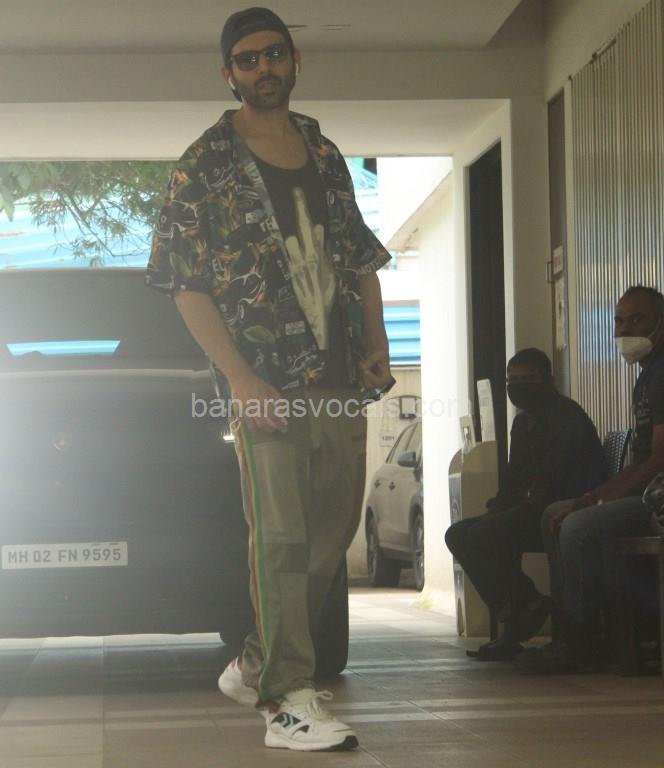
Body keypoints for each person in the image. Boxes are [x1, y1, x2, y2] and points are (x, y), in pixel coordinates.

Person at [145, 6, 393, 752]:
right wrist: (241, 377)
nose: (264, 68)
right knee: (280, 536)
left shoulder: (323, 150)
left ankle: (256, 662)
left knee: (332, 532)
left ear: (294, 61)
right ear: (229, 74)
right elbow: (185, 283)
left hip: (337, 373)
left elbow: (358, 257)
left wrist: (376, 341)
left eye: (274, 54)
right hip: (266, 382)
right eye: (248, 59)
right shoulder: (204, 164)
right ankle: (286, 700)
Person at [520, 286, 664, 673]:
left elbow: (658, 458)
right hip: (647, 494)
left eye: (637, 319)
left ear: (660, 324)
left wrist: (595, 503)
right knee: (555, 514)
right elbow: (640, 463)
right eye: (619, 320)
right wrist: (589, 497)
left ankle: (584, 638)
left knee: (577, 527)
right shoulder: (646, 378)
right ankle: (567, 631)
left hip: (658, 503)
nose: (625, 329)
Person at [445, 348, 607, 661]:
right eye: (512, 380)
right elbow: (513, 479)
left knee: (491, 533)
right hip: (529, 509)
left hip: (564, 508)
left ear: (548, 380)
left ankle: (522, 616)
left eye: (527, 379)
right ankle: (522, 608)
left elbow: (553, 478)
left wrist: (512, 510)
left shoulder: (567, 417)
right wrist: (498, 505)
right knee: (460, 534)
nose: (518, 386)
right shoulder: (521, 424)